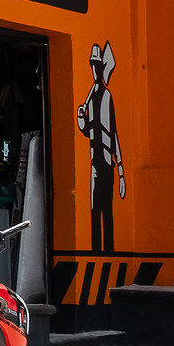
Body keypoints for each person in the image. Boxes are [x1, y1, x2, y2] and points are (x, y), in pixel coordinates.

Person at [75, 41, 122, 253]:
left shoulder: (106, 96)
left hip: (106, 162)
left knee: (107, 211)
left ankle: (109, 251)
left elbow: (114, 134)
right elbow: (88, 131)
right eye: (93, 65)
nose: (95, 69)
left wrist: (120, 169)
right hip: (95, 161)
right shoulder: (91, 96)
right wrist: (80, 119)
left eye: (98, 65)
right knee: (94, 210)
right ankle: (96, 252)